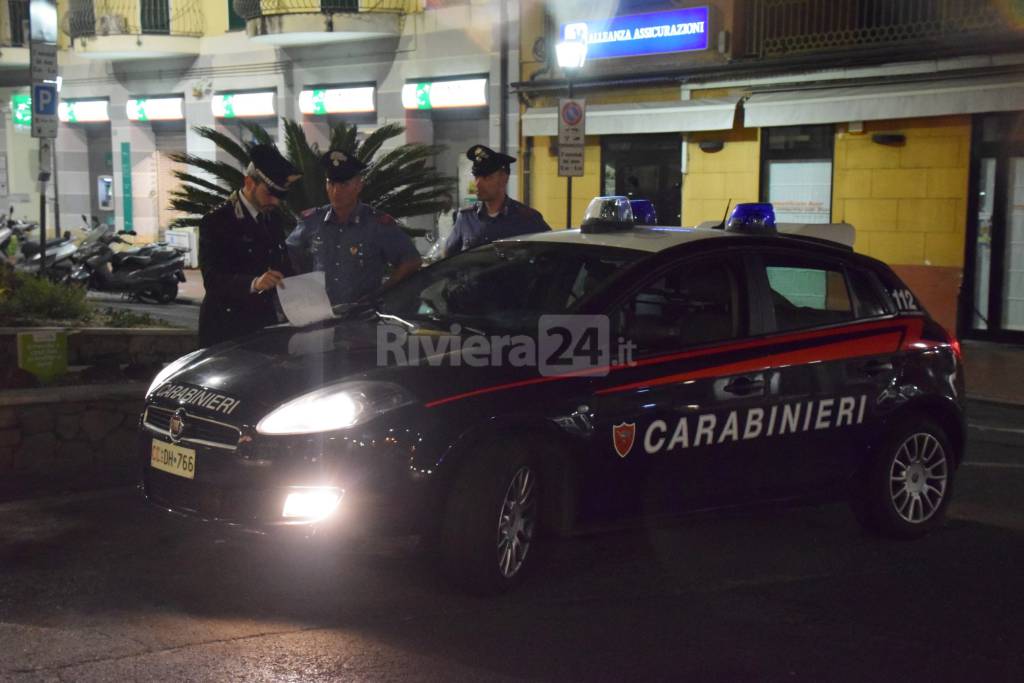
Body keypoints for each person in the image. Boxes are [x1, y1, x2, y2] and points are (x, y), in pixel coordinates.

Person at [287, 150, 422, 306]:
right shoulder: (312, 221)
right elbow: (287, 255)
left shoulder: (377, 224)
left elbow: (411, 261)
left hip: (363, 317)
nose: (336, 191)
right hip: (321, 315)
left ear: (359, 186)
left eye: (344, 185)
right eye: (331, 183)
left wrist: (383, 292)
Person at [198, 144, 300, 348]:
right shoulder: (218, 220)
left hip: (263, 326)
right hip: (226, 328)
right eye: (269, 193)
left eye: (280, 196)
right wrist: (254, 283)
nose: (275, 202)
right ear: (249, 182)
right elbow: (212, 279)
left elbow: (282, 265)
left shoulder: (272, 219)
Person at [444, 145, 551, 257]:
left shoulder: (528, 219)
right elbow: (448, 260)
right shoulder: (466, 218)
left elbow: (549, 255)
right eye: (476, 177)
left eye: (486, 178)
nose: (477, 184)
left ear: (503, 179)